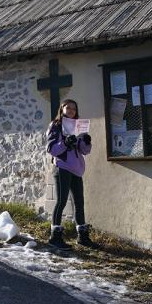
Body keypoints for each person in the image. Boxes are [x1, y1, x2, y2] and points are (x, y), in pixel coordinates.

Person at [46, 99, 95, 248]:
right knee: (61, 201)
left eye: (74, 108)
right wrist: (65, 142)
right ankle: (55, 237)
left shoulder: (78, 126)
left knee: (79, 202)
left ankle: (82, 237)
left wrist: (86, 141)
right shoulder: (56, 126)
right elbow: (51, 148)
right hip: (62, 167)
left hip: (76, 168)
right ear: (62, 109)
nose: (72, 111)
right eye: (69, 108)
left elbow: (84, 151)